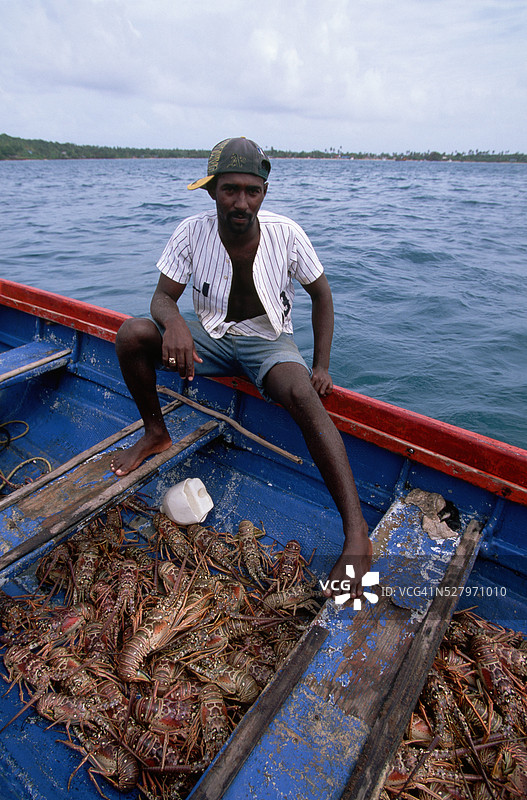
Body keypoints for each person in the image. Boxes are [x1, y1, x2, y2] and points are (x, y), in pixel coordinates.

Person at [111, 137, 371, 599]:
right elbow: (161, 297)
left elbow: (322, 296)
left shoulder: (286, 234)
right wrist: (173, 324)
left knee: (301, 395)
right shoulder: (191, 232)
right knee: (132, 334)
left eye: (252, 191)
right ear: (212, 189)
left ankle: (356, 534)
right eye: (230, 189)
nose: (241, 202)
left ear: (264, 193)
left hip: (268, 339)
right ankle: (156, 433)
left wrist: (321, 365)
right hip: (209, 335)